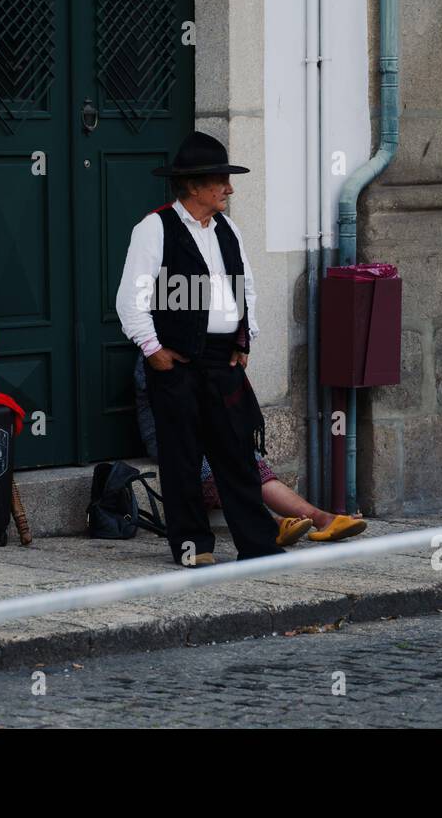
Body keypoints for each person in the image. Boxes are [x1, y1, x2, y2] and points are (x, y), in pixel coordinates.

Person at [116, 131, 283, 567]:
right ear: (193, 185)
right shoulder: (154, 228)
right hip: (177, 362)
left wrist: (246, 338)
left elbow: (246, 286)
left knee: (238, 456)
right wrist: (153, 349)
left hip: (223, 361)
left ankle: (259, 545)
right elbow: (130, 298)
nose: (229, 188)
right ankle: (193, 547)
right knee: (182, 459)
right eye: (220, 180)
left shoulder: (227, 228)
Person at [133, 354, 365, 544]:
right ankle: (274, 525)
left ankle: (321, 518)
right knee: (219, 466)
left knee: (247, 462)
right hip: (175, 439)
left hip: (208, 431)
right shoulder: (159, 354)